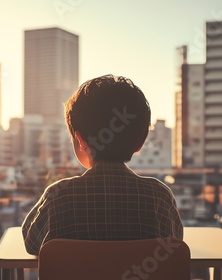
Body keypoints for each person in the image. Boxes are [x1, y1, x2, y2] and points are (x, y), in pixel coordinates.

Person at [22, 74, 183, 255]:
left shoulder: (58, 194)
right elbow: (175, 245)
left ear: (80, 140)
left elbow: (31, 243)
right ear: (141, 142)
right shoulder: (159, 197)